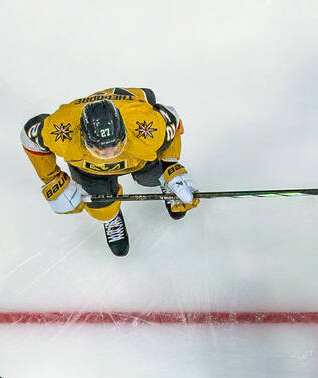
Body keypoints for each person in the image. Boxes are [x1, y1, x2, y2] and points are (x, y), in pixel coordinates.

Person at [21, 87, 198, 256]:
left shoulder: (145, 128)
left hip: (130, 150)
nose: (109, 155)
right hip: (90, 168)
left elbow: (171, 118)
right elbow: (29, 137)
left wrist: (170, 169)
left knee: (152, 176)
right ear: (81, 136)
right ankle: (110, 216)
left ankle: (164, 183)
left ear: (124, 132)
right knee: (102, 208)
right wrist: (53, 179)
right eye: (99, 150)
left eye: (115, 146)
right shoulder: (62, 131)